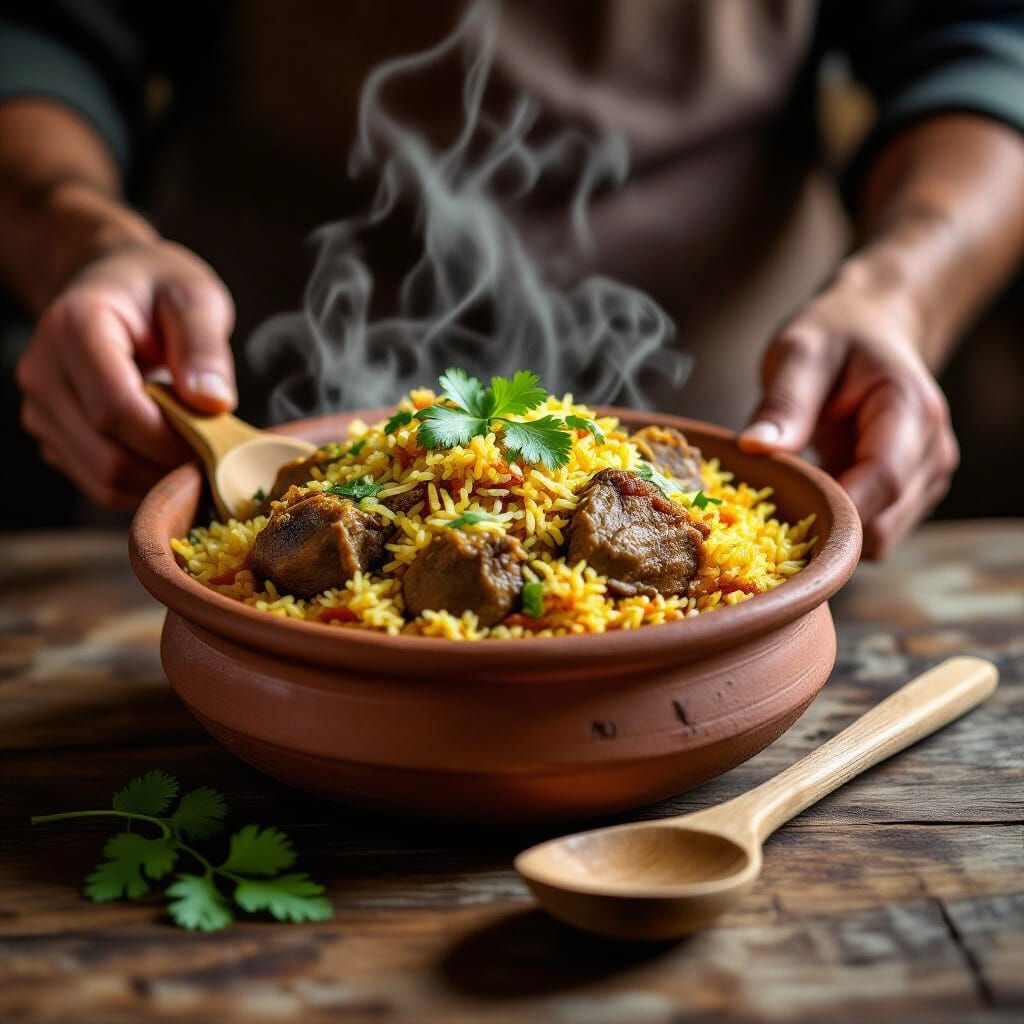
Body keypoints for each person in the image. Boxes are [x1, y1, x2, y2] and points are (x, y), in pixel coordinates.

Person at [3, 2, 1024, 556]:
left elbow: (981, 40)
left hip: (749, 423)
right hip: (227, 408)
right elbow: (38, 32)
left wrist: (900, 288)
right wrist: (80, 243)